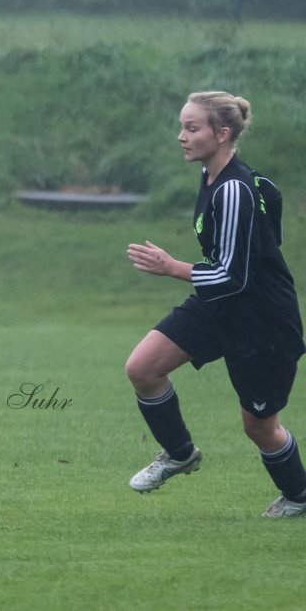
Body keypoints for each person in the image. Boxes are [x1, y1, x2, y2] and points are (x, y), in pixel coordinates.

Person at [124, 91, 306, 517]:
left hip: (263, 322)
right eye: (182, 127)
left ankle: (300, 495)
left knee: (260, 427)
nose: (181, 137)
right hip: (219, 306)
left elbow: (234, 275)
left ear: (221, 134)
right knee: (143, 368)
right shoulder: (214, 177)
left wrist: (170, 267)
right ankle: (180, 453)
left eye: (192, 128)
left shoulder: (238, 190)